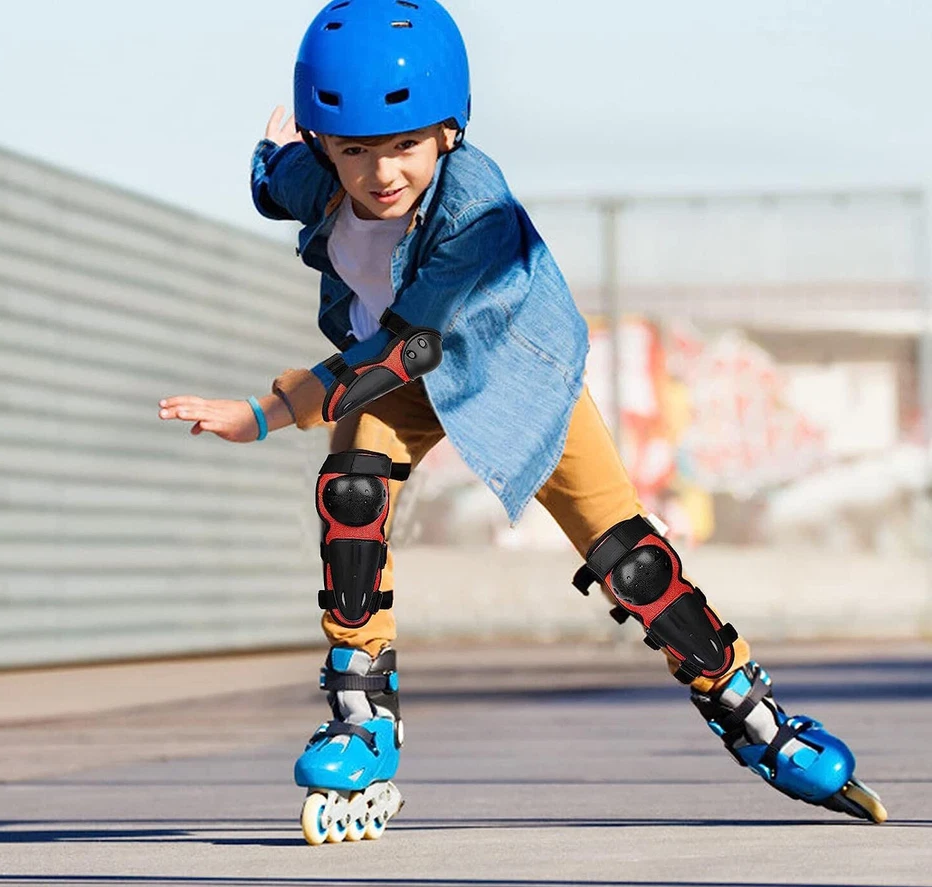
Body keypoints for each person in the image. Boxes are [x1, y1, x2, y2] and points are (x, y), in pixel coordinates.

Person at [158, 0, 886, 844]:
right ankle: (362, 714)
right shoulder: (321, 176)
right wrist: (268, 156)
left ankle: (752, 713)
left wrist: (270, 409)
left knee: (632, 562)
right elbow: (269, 184)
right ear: (326, 146)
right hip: (392, 376)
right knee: (351, 492)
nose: (381, 174)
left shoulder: (479, 208)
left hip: (511, 375)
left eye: (405, 145)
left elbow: (412, 345)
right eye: (354, 149)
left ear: (449, 133)